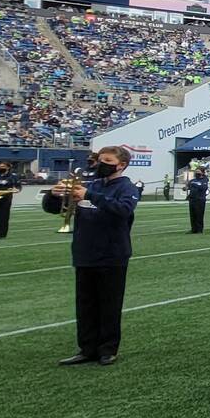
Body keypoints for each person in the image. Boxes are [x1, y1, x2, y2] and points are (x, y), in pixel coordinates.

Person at [42, 145, 141, 366]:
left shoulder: (127, 187)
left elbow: (123, 210)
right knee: (85, 305)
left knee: (109, 304)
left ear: (121, 165)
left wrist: (89, 195)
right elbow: (52, 209)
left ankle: (108, 349)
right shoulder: (91, 185)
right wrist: (53, 195)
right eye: (99, 160)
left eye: (107, 160)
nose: (100, 164)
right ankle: (86, 348)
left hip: (112, 254)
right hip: (85, 252)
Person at [0, 162, 23, 239]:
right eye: (0, 166)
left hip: (6, 198)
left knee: (4, 216)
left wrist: (16, 189)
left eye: (3, 166)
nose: (1, 168)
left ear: (8, 167)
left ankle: (2, 234)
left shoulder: (12, 176)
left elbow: (18, 186)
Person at [186, 164, 210, 233]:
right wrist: (186, 188)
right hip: (192, 199)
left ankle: (199, 229)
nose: (197, 173)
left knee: (199, 215)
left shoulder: (205, 180)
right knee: (192, 215)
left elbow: (203, 187)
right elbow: (189, 187)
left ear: (202, 172)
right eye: (196, 171)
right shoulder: (193, 180)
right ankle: (193, 229)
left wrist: (194, 184)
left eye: (198, 171)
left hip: (200, 200)